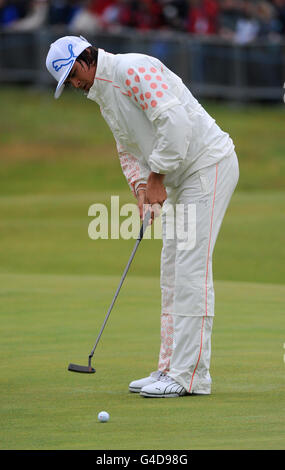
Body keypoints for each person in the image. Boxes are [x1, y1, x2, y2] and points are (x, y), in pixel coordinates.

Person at [46, 36, 239, 398]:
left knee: (191, 267)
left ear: (87, 57)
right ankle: (168, 368)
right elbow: (127, 146)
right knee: (172, 271)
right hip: (181, 177)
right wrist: (140, 190)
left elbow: (174, 122)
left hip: (207, 164)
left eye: (73, 75)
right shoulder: (103, 95)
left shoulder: (131, 69)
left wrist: (157, 178)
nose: (75, 85)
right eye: (69, 83)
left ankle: (190, 376)